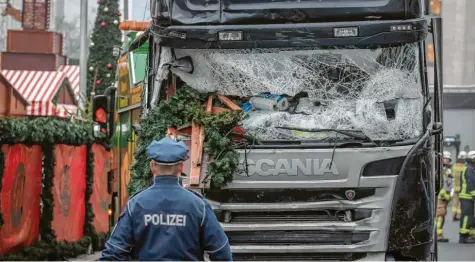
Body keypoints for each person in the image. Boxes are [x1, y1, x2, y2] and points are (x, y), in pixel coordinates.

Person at [99, 136, 233, 260]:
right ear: (181, 167)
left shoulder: (136, 204)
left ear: (152, 166)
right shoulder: (199, 206)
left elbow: (113, 253)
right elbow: (221, 251)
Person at [436, 151, 453, 242]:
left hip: (445, 197)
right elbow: (439, 184)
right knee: (439, 216)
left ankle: (439, 235)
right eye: (446, 158)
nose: (447, 160)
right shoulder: (439, 170)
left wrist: (450, 195)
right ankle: (438, 235)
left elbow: (450, 183)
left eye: (448, 159)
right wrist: (444, 195)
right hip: (440, 197)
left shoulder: (447, 170)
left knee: (442, 216)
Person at [458, 151, 475, 244]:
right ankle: (463, 236)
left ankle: (466, 235)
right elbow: (471, 183)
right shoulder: (469, 169)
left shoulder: (468, 168)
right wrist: (474, 194)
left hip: (467, 196)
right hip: (467, 196)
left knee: (469, 216)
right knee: (466, 217)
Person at [452, 151, 467, 221]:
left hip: (455, 188)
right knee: (460, 203)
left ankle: (453, 215)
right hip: (462, 188)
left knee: (455, 202)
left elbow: (451, 176)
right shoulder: (465, 167)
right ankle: (458, 216)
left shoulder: (454, 166)